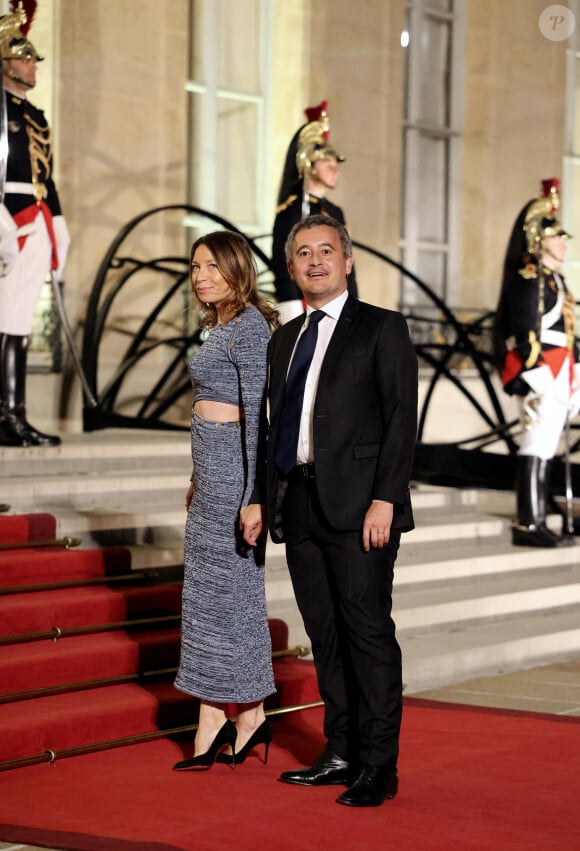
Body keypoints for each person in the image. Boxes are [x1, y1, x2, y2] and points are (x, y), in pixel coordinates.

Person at [243, 214, 418, 807]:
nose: (314, 261)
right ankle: (340, 749)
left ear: (347, 261)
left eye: (326, 251)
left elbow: (401, 421)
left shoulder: (382, 328)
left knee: (367, 633)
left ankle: (379, 765)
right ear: (290, 267)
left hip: (362, 504)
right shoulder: (284, 338)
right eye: (302, 253)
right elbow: (274, 429)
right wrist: (264, 496)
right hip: (300, 503)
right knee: (324, 633)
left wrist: (386, 499)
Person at [173, 230, 279, 771]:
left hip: (238, 481)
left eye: (213, 266)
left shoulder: (250, 328)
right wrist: (197, 475)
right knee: (207, 601)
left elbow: (260, 421)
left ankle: (251, 711)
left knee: (236, 598)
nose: (201, 276)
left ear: (238, 270)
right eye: (195, 266)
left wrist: (255, 496)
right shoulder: (217, 328)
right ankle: (216, 712)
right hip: (210, 478)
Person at [494, 178, 579, 548]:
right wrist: (537, 375)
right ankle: (528, 523)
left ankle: (540, 519)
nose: (563, 243)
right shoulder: (529, 280)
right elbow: (524, 330)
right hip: (541, 371)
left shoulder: (556, 280)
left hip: (561, 370)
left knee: (546, 447)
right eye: (556, 236)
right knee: (535, 444)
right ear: (539, 240)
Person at [0, 4, 70, 447]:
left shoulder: (36, 116)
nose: (32, 64)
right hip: (9, 220)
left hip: (35, 221)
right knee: (5, 320)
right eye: (24, 57)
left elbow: (47, 176)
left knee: (20, 321)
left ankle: (14, 414)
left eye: (33, 58)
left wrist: (59, 222)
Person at [272, 101, 358, 324]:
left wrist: (354, 306)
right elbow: (284, 265)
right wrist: (291, 312)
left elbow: (347, 265)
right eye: (327, 163)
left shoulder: (335, 211)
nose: (335, 170)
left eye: (335, 164)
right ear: (309, 165)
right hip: (304, 306)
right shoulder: (292, 211)